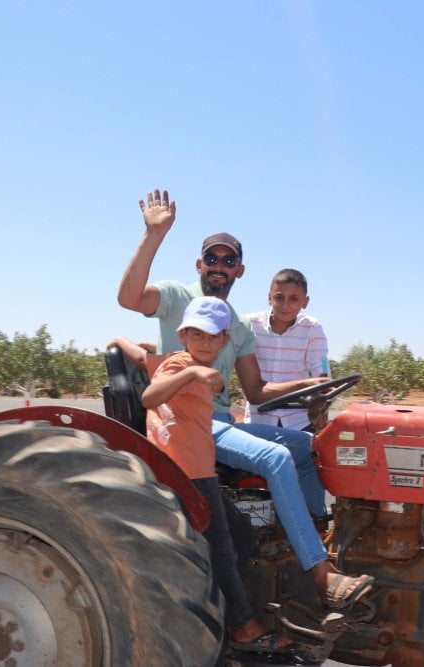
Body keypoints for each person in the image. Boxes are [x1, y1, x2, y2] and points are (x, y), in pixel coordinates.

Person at [117, 187, 374, 610]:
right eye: (212, 259)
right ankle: (321, 573)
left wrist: (309, 384)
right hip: (189, 423)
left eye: (228, 261)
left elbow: (255, 392)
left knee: (310, 447)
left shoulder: (238, 325)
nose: (219, 266)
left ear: (239, 271)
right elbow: (128, 298)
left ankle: (310, 534)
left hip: (221, 420)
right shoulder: (176, 297)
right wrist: (154, 235)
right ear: (200, 264)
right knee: (275, 458)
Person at [111, 297, 293, 653]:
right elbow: (149, 397)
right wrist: (192, 373)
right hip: (184, 473)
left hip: (200, 470)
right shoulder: (180, 364)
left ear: (225, 340)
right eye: (197, 334)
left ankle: (217, 610)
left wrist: (119, 342)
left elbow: (141, 359)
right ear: (184, 335)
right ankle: (243, 627)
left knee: (240, 536)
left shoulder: (178, 363)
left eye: (213, 336)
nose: (205, 342)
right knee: (223, 549)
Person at [244, 268, 330, 431]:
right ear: (269, 298)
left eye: (293, 299)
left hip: (298, 421)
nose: (285, 305)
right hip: (258, 420)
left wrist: (323, 380)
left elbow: (322, 365)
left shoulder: (313, 328)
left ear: (305, 302)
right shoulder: (249, 325)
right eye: (279, 298)